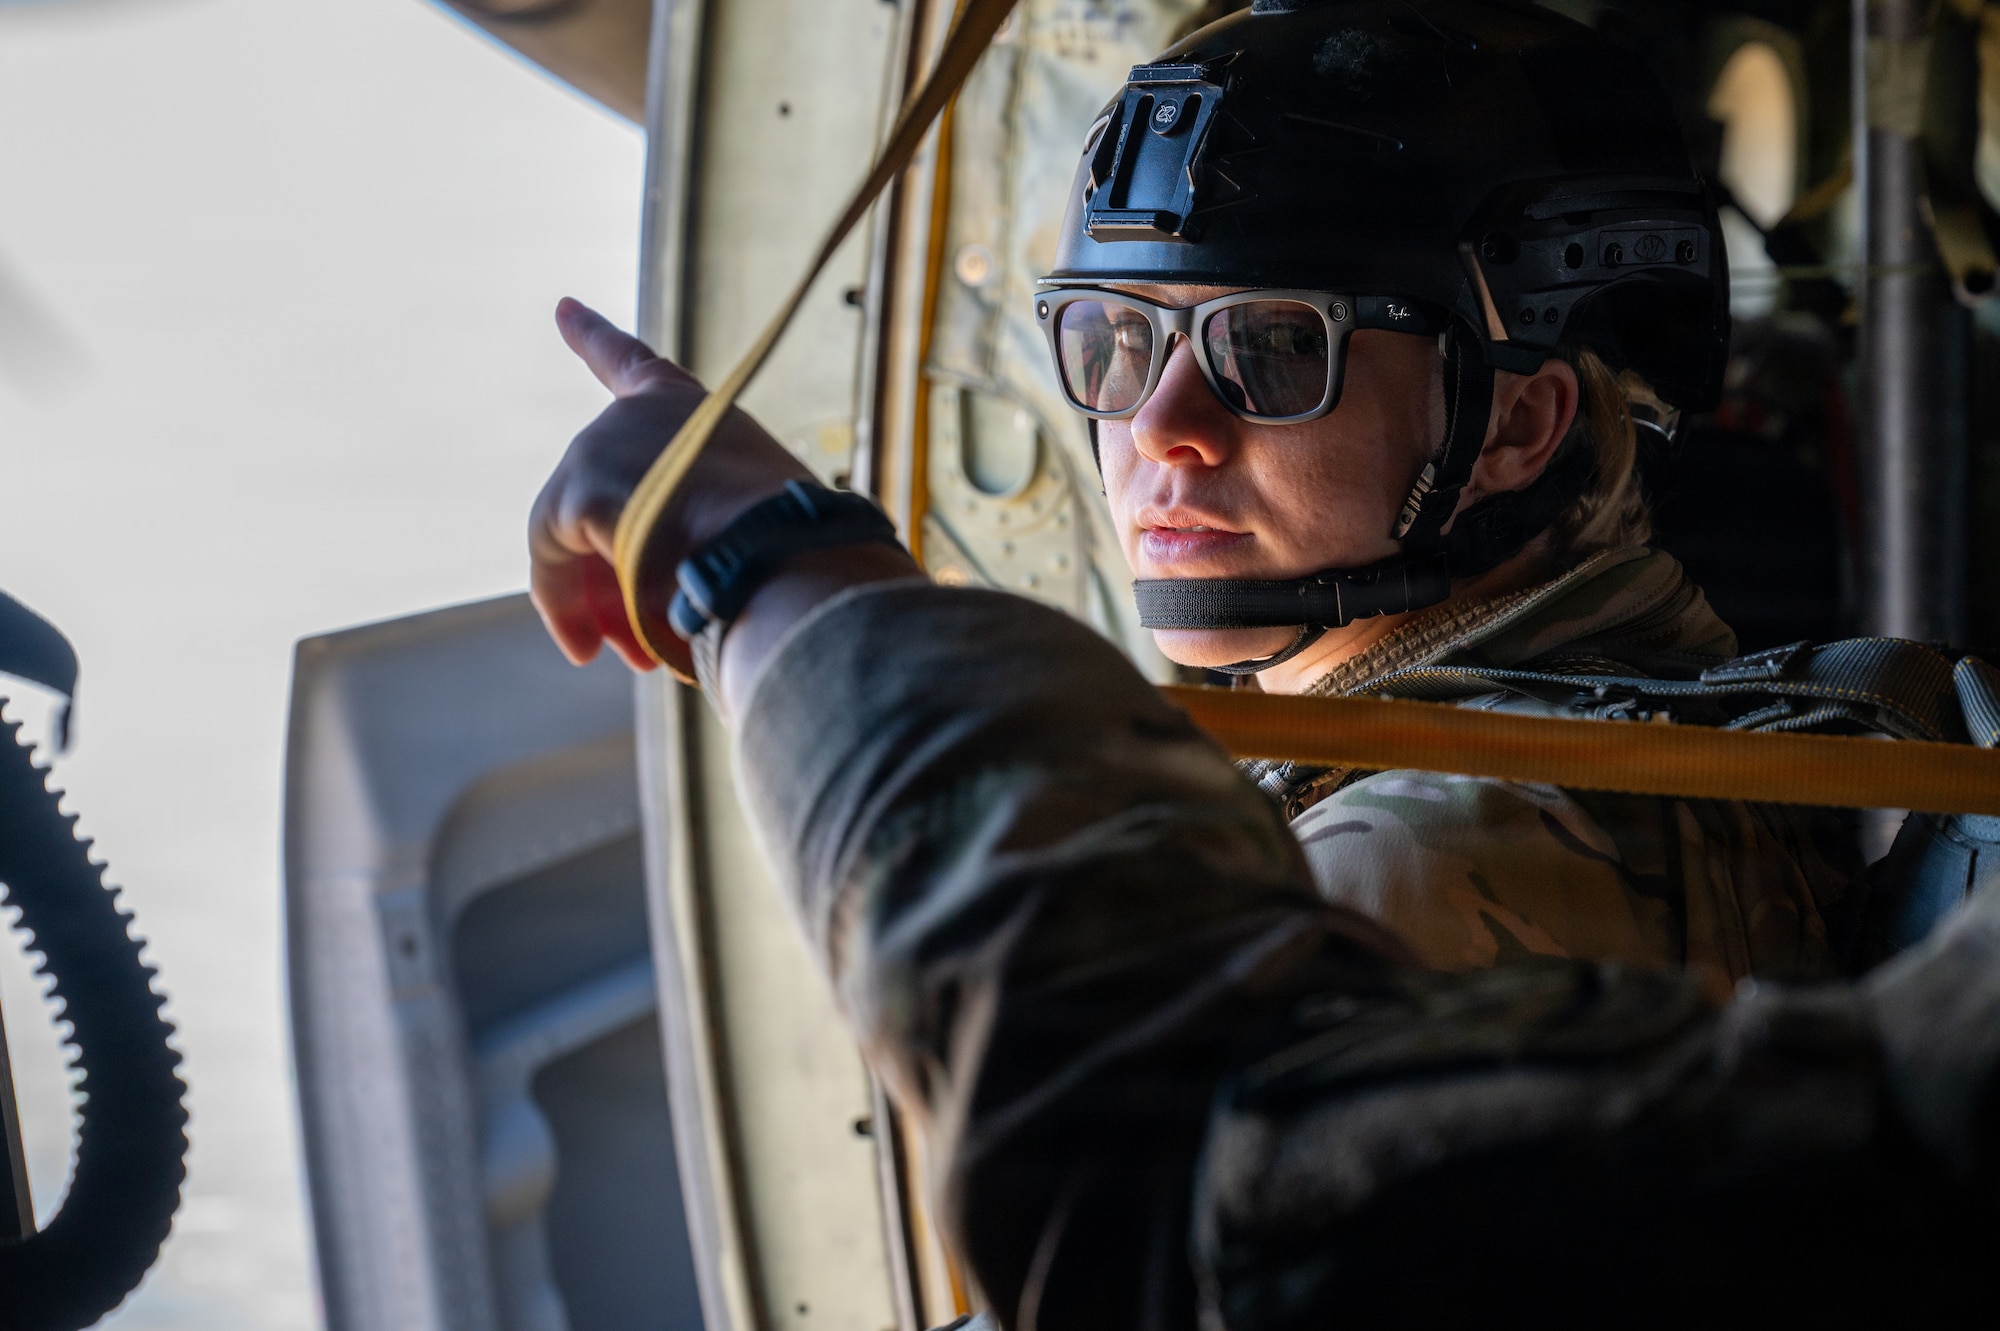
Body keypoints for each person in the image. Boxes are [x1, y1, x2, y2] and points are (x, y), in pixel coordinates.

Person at [529, 1, 1999, 1324]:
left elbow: (1165, 1210)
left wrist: (771, 573)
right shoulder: (1678, 733)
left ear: (1517, 428)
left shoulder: (1409, 870)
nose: (1160, 427)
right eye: (1108, 344)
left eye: (1271, 352)